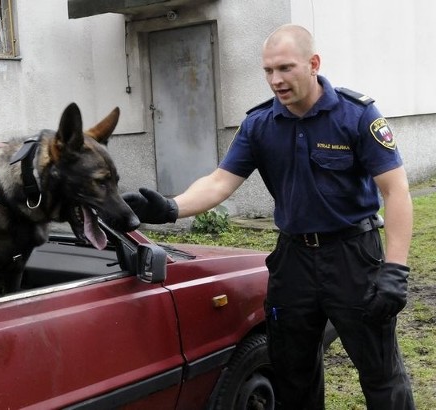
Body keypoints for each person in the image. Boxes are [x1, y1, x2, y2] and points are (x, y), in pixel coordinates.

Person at [124, 24, 415, 409]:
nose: (275, 80)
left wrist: (395, 270)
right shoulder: (259, 124)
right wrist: (170, 207)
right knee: (293, 375)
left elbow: (396, 192)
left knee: (381, 375)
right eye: (268, 71)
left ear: (313, 64)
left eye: (285, 68)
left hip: (353, 257)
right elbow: (219, 182)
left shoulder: (356, 115)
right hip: (293, 262)